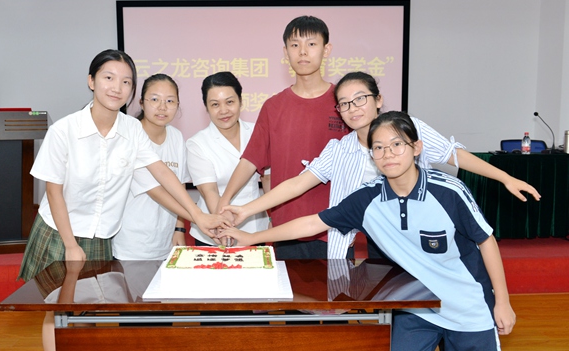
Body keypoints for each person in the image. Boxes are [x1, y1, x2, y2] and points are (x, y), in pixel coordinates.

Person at [219, 111, 516, 351]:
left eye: (397, 144)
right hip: (416, 307)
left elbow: (486, 241)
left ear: (416, 148)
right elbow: (313, 223)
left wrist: (502, 302)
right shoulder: (368, 198)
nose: (388, 154)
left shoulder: (449, 191)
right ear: (372, 155)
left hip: (467, 306)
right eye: (379, 148)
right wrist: (252, 238)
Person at [16, 50, 228, 351]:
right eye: (109, 77)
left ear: (131, 91)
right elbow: (53, 191)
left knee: (89, 312)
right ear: (91, 81)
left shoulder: (131, 130)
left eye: (126, 81)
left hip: (102, 236)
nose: (117, 87)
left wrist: (198, 215)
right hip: (60, 232)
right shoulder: (65, 130)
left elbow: (161, 173)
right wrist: (70, 244)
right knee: (59, 311)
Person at [222, 71, 541, 259]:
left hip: (423, 236)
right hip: (380, 241)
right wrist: (246, 210)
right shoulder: (339, 149)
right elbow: (296, 184)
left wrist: (504, 177)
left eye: (360, 98)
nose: (353, 108)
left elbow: (452, 154)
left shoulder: (406, 128)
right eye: (344, 103)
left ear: (377, 99)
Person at [217, 15, 349, 259]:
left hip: (335, 228)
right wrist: (224, 202)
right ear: (285, 51)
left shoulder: (344, 104)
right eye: (295, 45)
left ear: (326, 49)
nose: (303, 52)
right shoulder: (273, 106)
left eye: (311, 44)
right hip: (284, 229)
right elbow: (250, 160)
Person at [112, 74, 191, 260]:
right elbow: (156, 191)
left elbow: (180, 185)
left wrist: (179, 228)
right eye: (155, 99)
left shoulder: (176, 136)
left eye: (170, 101)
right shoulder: (129, 137)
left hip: (165, 241)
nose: (162, 107)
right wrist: (199, 217)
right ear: (141, 102)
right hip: (131, 244)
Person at [186, 71, 270, 246]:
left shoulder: (257, 132)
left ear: (241, 101)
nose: (223, 110)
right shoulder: (197, 143)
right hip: (214, 231)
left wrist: (274, 217)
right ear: (206, 108)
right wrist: (223, 226)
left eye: (230, 102)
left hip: (256, 228)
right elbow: (209, 191)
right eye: (215, 104)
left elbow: (268, 179)